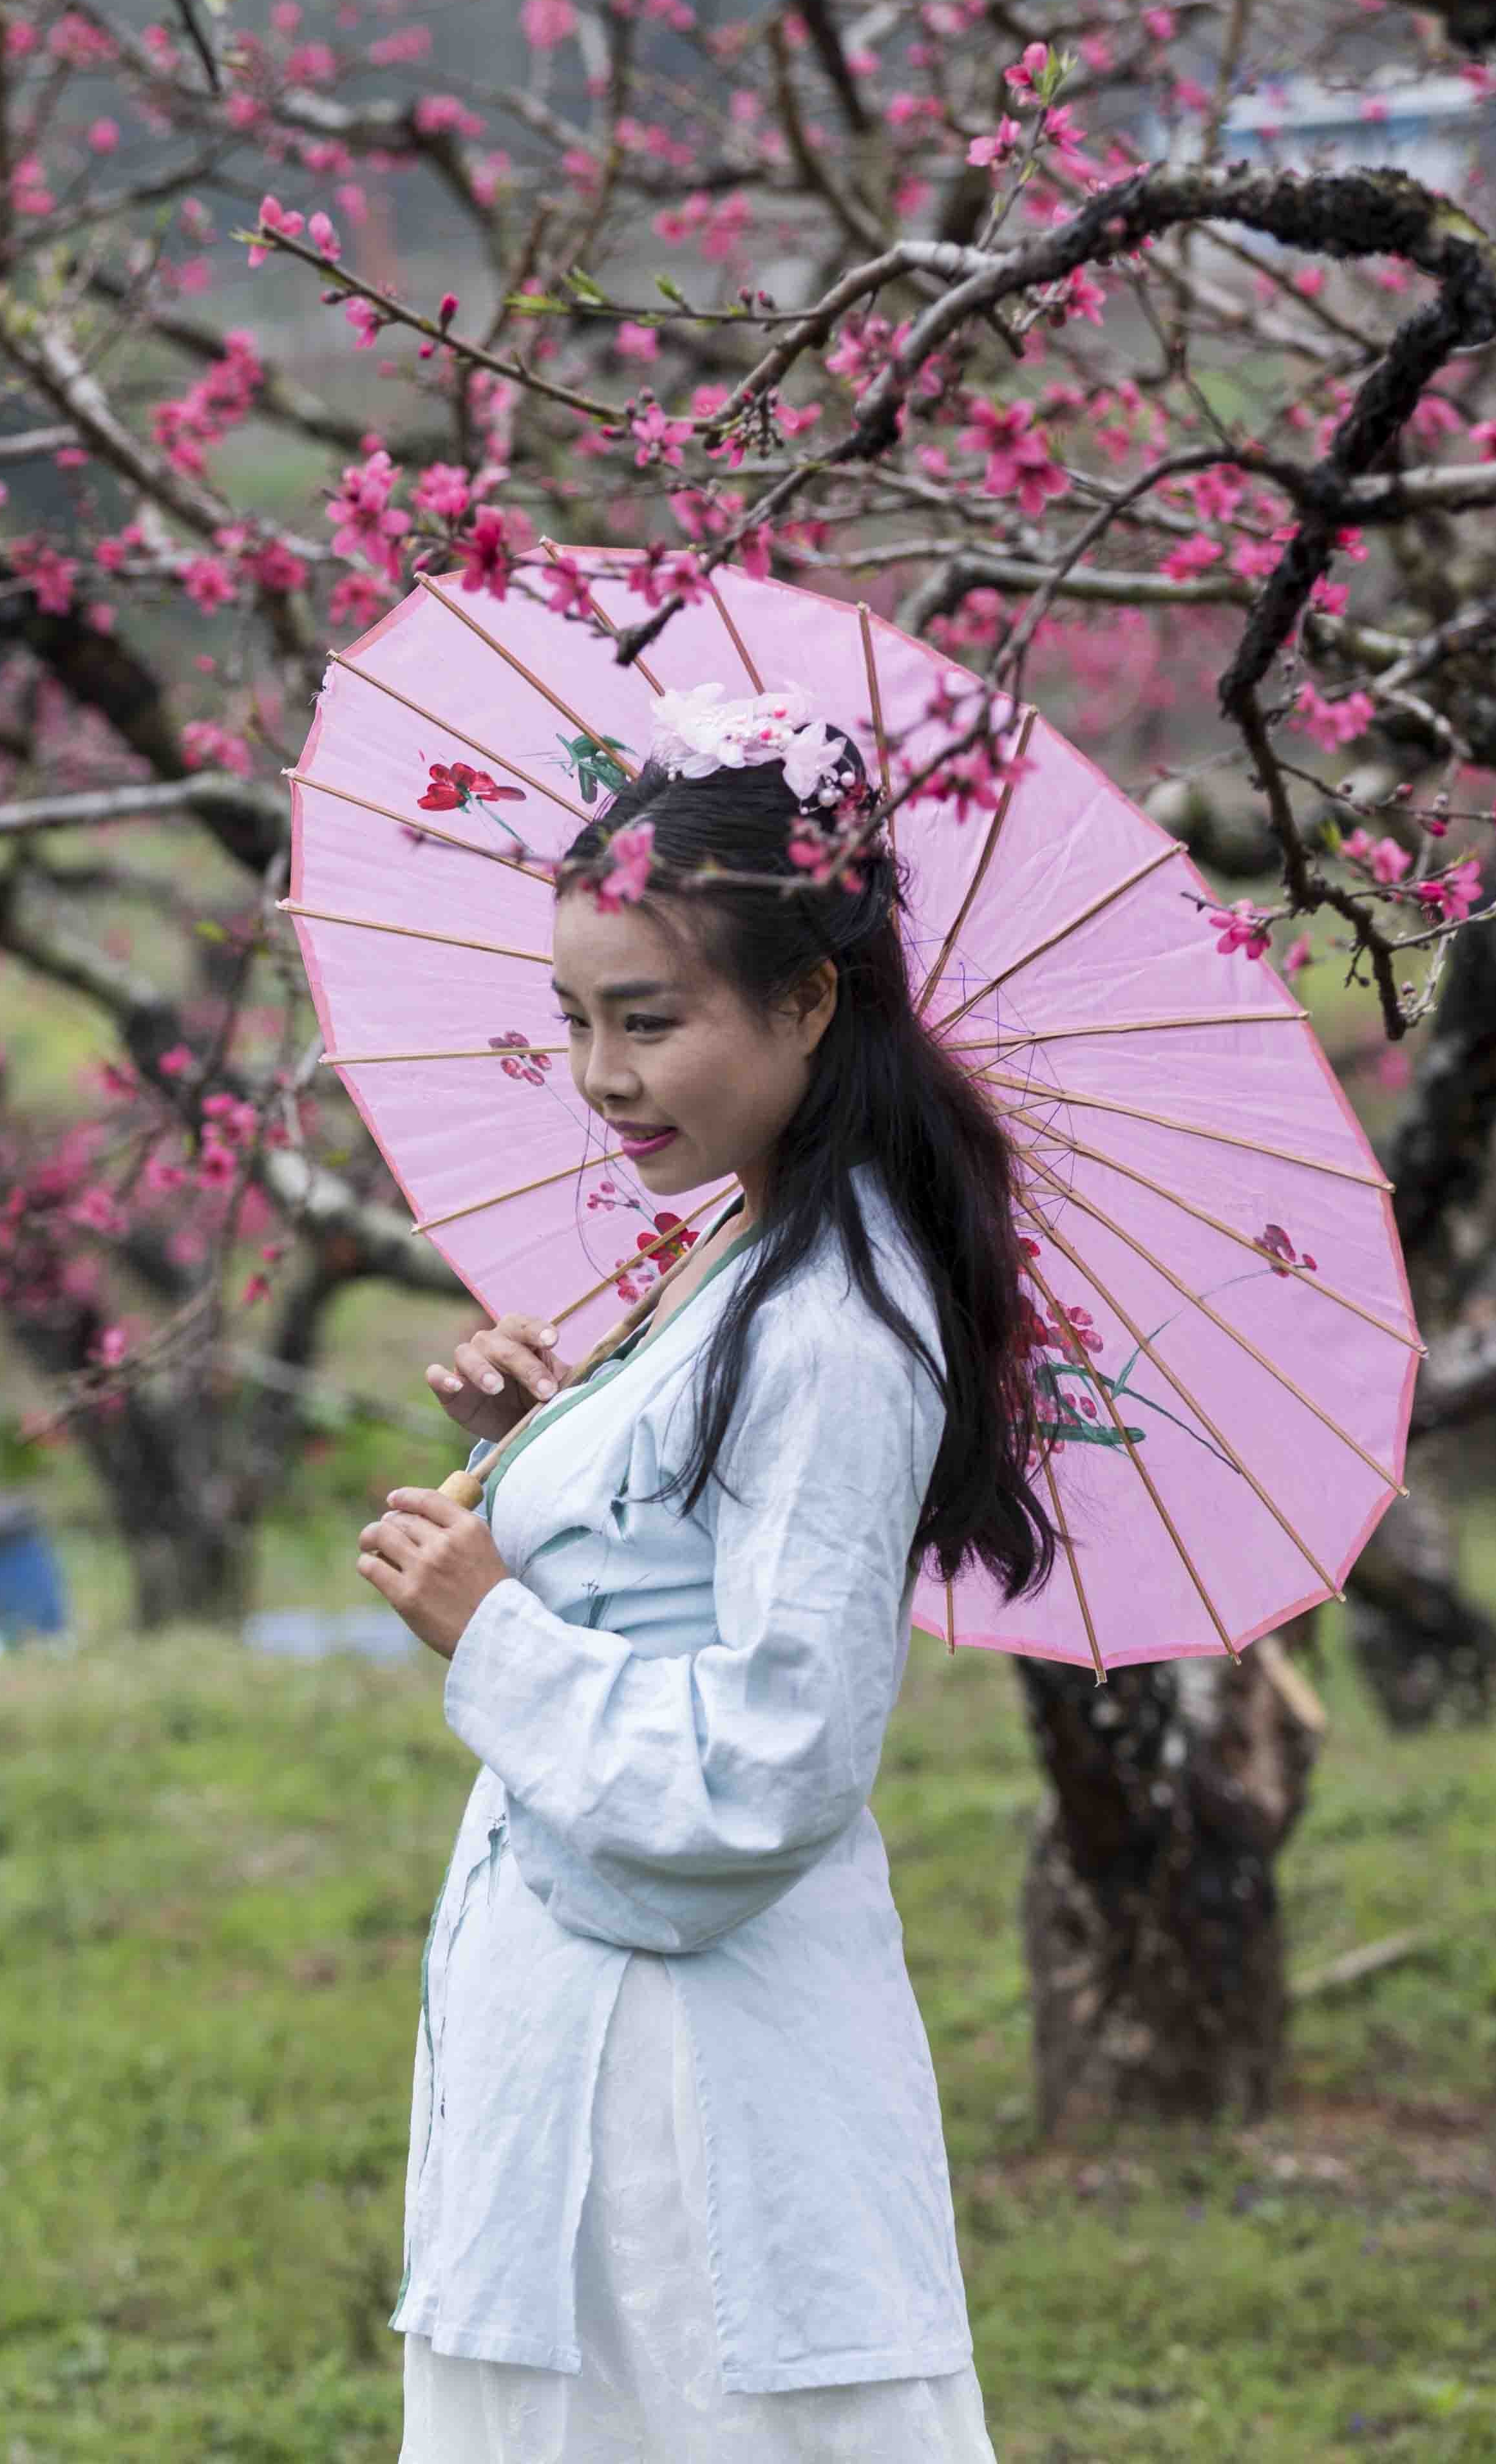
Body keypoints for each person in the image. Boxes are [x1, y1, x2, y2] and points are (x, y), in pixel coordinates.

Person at [352, 681, 1056, 2462]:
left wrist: (486, 1628)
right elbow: (682, 1557)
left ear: (812, 998)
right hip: (596, 2018)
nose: (602, 1075)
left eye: (650, 1021)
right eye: (577, 1020)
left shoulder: (836, 1324)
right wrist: (557, 1448)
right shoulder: (743, 1252)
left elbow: (774, 1761)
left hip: (693, 2072)